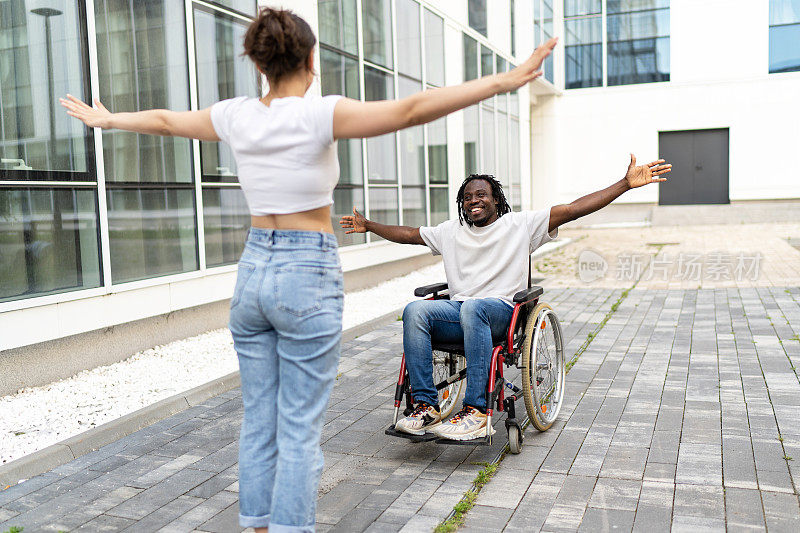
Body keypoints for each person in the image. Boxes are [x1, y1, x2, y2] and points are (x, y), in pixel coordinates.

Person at [61, 7, 557, 532]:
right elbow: (412, 110)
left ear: (257, 62)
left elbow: (164, 120)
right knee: (297, 428)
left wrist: (108, 119)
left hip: (253, 270)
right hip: (306, 271)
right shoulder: (320, 113)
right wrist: (507, 78)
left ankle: (256, 525)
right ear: (312, 59)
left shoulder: (236, 114)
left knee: (260, 420)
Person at [340, 156, 671, 441]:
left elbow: (572, 209)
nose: (474, 200)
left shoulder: (520, 225)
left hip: (502, 315)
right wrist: (368, 225)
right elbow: (410, 234)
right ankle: (427, 406)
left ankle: (477, 412)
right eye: (468, 197)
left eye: (481, 194)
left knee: (474, 307)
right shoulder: (450, 232)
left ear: (496, 200)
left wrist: (624, 185)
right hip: (462, 315)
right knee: (415, 311)